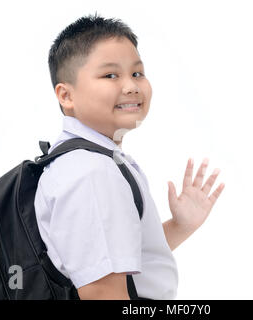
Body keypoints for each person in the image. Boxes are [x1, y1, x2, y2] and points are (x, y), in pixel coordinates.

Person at [34, 12, 225, 300]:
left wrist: (178, 227)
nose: (131, 86)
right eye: (110, 75)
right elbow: (101, 293)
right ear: (66, 96)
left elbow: (116, 259)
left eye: (137, 73)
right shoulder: (91, 172)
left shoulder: (94, 161)